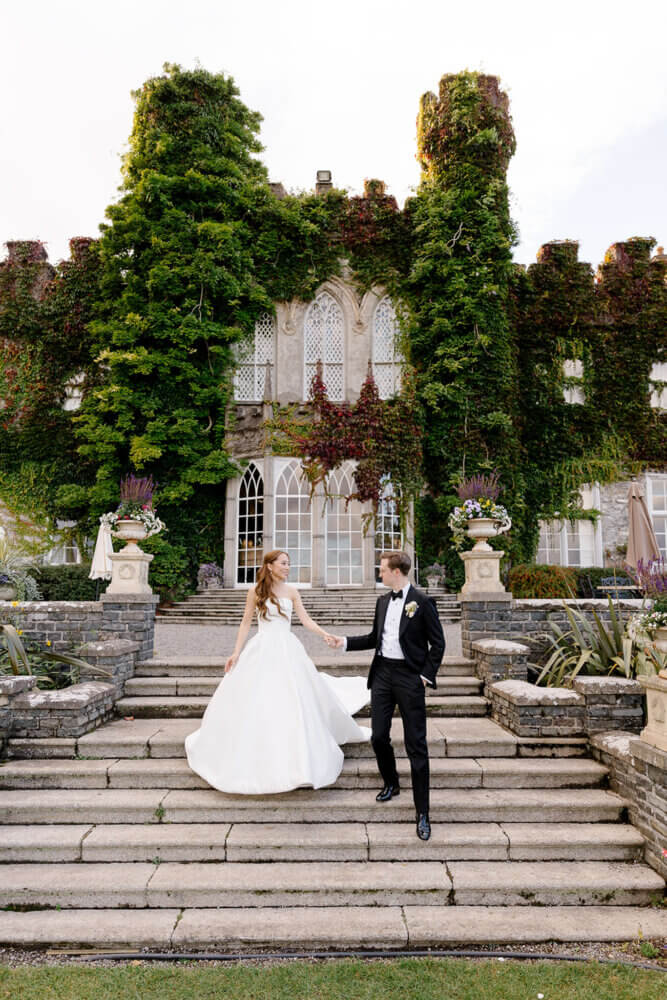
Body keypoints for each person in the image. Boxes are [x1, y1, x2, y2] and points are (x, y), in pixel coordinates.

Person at [185, 550, 371, 794]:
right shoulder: (255, 591)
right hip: (262, 647)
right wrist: (236, 652)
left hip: (288, 647)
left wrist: (325, 634)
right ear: (270, 566)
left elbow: (305, 620)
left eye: (288, 564)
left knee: (293, 695)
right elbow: (245, 622)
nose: (287, 567)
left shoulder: (292, 591)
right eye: (283, 563)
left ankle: (299, 759)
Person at [327, 551, 445, 841]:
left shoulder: (423, 602)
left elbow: (438, 643)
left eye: (382, 569)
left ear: (396, 571)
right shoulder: (381, 602)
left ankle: (423, 812)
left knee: (415, 743)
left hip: (409, 676)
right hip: (381, 675)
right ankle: (391, 782)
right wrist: (343, 643)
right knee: (378, 736)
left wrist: (424, 675)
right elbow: (373, 638)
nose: (379, 574)